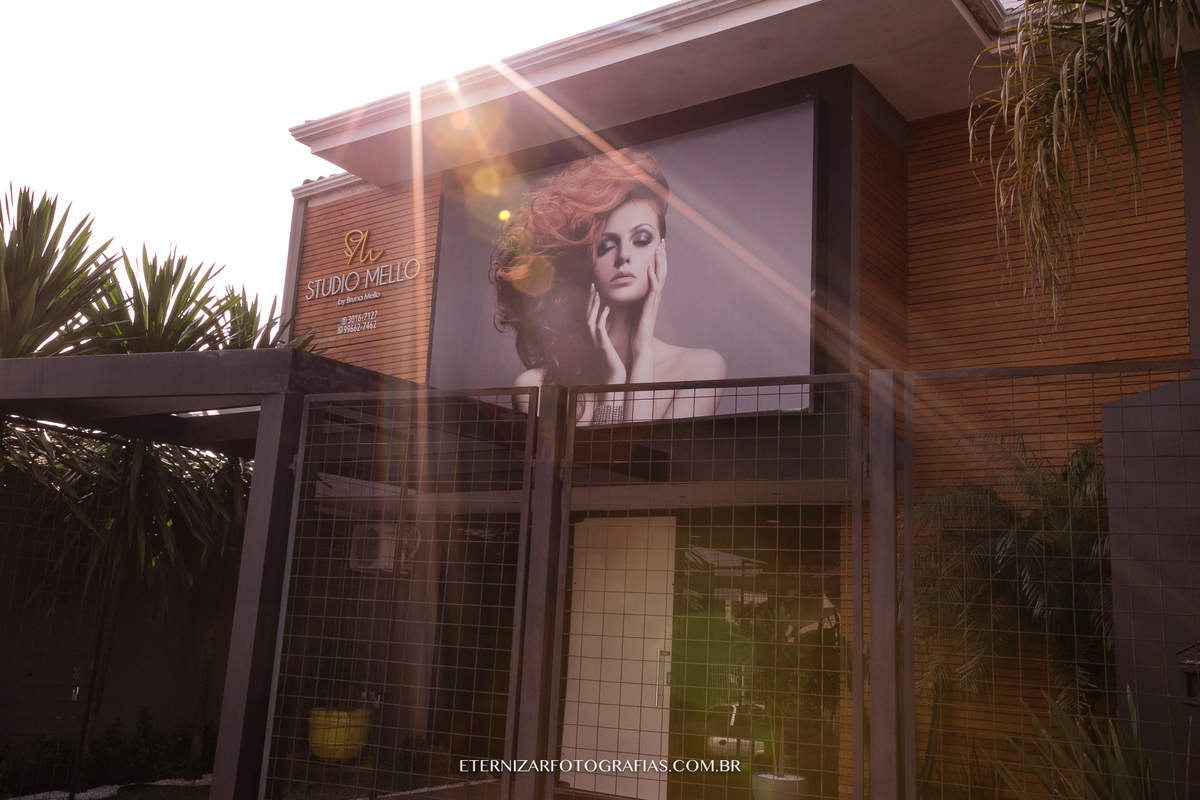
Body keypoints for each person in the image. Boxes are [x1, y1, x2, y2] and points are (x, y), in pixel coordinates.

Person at [491, 149, 725, 424]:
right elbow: (613, 452)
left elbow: (640, 451)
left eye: (641, 240)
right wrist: (613, 381)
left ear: (661, 250)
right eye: (606, 245)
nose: (624, 255)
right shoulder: (537, 387)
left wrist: (643, 351)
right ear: (584, 263)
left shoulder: (700, 368)